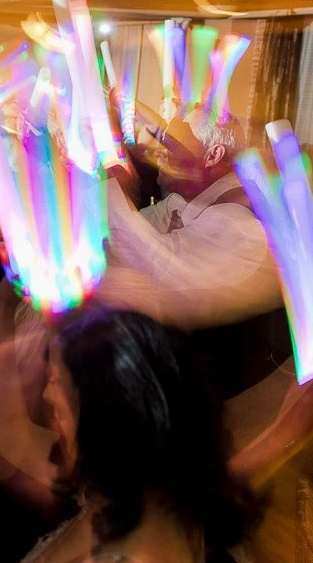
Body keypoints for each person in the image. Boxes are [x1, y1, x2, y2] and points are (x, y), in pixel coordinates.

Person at [21, 307, 258, 562]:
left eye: (55, 379)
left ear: (106, 419)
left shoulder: (134, 543)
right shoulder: (145, 498)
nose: (46, 394)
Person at [99, 108, 288, 400]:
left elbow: (155, 274)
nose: (157, 153)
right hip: (182, 383)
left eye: (169, 143)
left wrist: (117, 179)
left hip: (226, 404)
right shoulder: (185, 200)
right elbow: (115, 238)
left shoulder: (242, 223)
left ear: (212, 155)